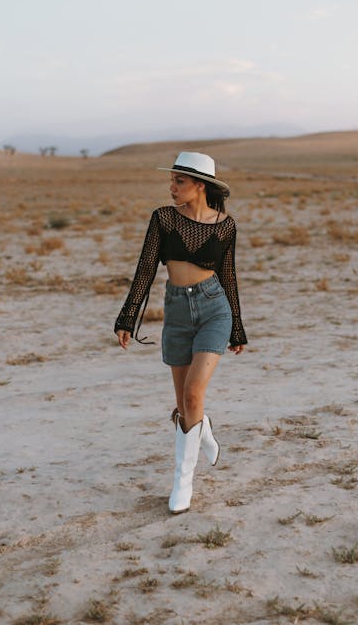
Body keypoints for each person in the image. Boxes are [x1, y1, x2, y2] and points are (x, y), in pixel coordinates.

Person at [114, 152, 247, 514]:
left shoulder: (225, 226)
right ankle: (200, 430)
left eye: (180, 181)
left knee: (192, 395)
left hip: (212, 308)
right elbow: (145, 269)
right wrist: (128, 317)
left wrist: (236, 325)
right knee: (185, 405)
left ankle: (182, 481)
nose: (171, 188)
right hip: (176, 312)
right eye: (172, 181)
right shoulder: (163, 219)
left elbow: (229, 276)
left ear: (200, 185)